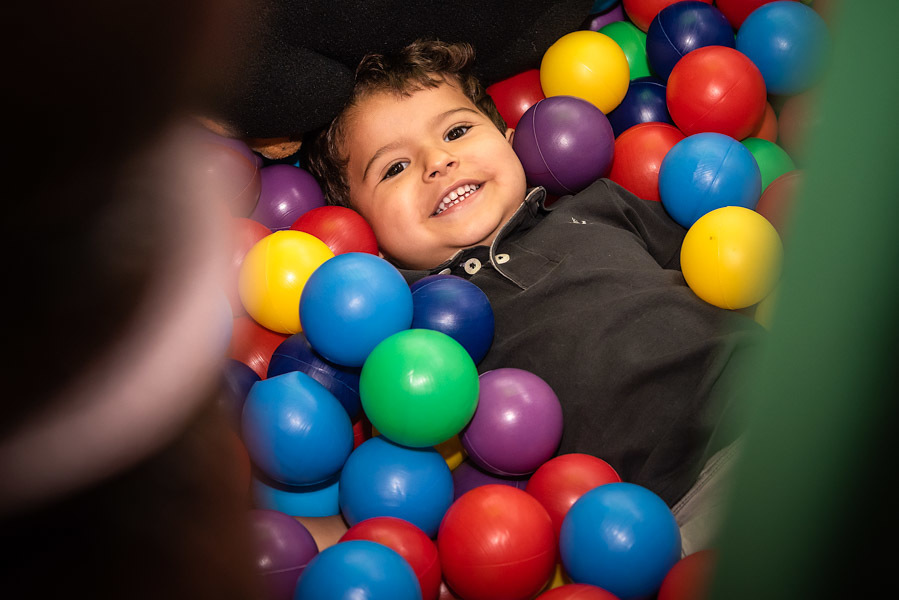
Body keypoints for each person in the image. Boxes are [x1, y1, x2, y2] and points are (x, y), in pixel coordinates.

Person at [303, 39, 767, 551]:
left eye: (457, 131)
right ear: (361, 228)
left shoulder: (599, 204)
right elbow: (396, 499)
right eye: (393, 168)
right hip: (661, 516)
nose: (437, 161)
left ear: (508, 137)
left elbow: (735, 271)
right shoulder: (406, 329)